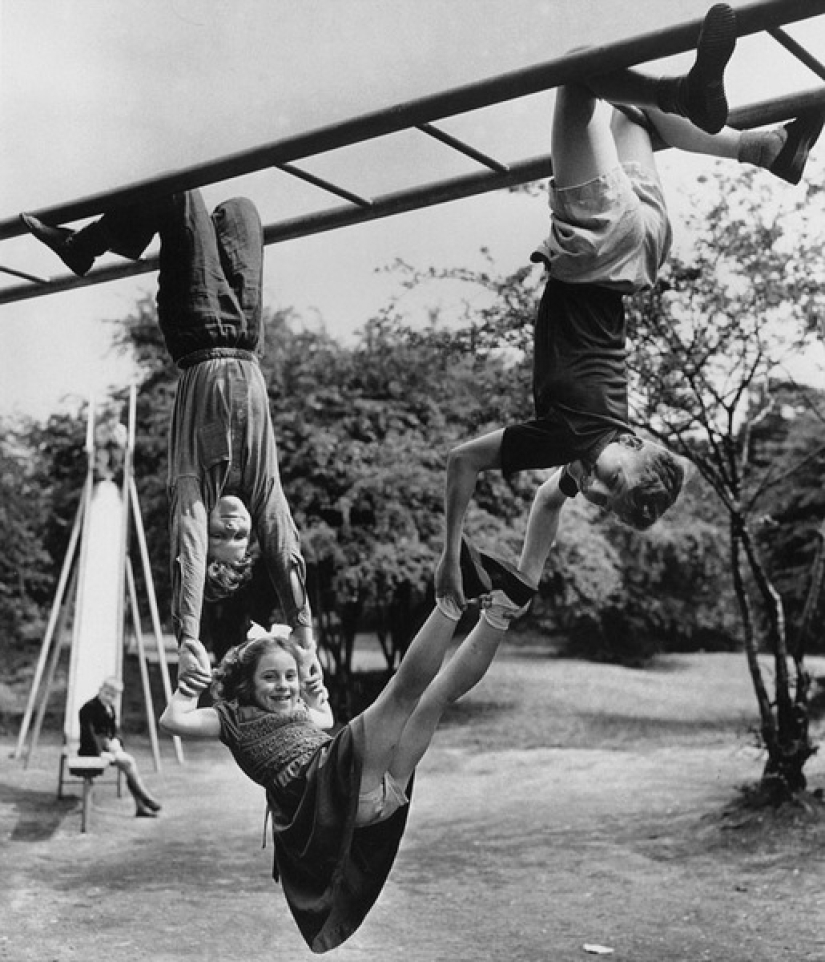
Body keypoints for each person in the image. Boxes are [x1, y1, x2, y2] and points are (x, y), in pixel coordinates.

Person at [436, 3, 825, 611]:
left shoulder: (594, 438)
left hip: (644, 249)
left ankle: (762, 148)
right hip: (599, 243)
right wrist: (448, 557)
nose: (597, 482)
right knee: (578, 73)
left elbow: (560, 493)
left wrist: (575, 511)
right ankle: (686, 89)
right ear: (637, 443)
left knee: (634, 116)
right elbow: (463, 461)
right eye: (612, 479)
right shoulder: (565, 436)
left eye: (603, 495)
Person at [159, 554, 533, 954]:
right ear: (246, 685)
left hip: (372, 805)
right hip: (334, 791)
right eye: (270, 677)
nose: (284, 686)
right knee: (400, 694)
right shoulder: (230, 719)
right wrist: (187, 686)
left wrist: (317, 697)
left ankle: (500, 610)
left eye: (290, 676)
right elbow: (173, 720)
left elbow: (322, 718)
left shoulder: (297, 711)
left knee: (434, 699)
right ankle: (455, 598)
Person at [21, 190, 317, 684]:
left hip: (197, 330)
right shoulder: (262, 489)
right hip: (247, 339)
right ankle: (92, 244)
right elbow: (286, 549)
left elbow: (190, 553)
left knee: (180, 193)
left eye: (220, 534)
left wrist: (188, 638)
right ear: (251, 541)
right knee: (241, 211)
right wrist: (304, 634)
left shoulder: (195, 488)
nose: (230, 525)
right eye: (238, 536)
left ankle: (84, 247)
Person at [79, 677, 162, 818]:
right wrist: (99, 753)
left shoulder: (109, 708)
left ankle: (142, 804)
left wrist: (117, 740)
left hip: (108, 747)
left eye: (113, 696)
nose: (108, 697)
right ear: (100, 690)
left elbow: (116, 730)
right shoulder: (88, 708)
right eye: (106, 693)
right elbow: (89, 734)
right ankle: (144, 798)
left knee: (129, 765)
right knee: (129, 763)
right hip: (92, 749)